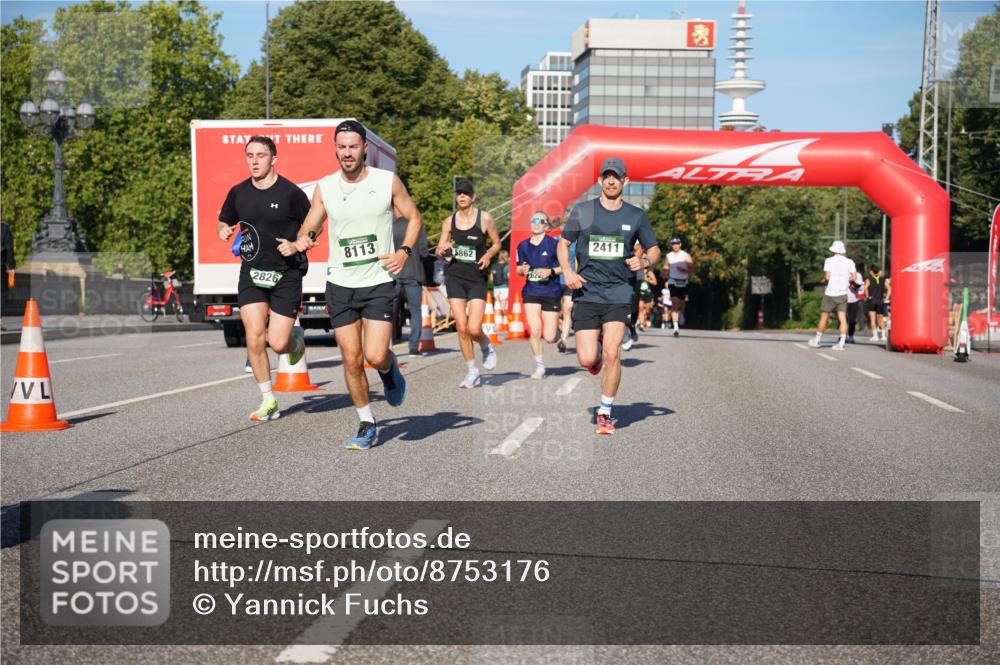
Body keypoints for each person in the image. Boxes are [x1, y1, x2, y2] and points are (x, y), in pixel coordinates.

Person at [294, 120, 422, 449]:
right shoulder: (326, 187)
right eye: (342, 147)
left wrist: (404, 252)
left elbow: (414, 217)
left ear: (365, 148)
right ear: (335, 149)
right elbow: (311, 225)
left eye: (353, 146)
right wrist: (305, 239)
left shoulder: (386, 182)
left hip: (378, 280)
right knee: (351, 359)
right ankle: (366, 422)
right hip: (339, 282)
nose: (347, 153)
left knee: (375, 354)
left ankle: (389, 369)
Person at [558, 157, 660, 435]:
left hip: (619, 291)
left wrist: (645, 263)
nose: (611, 181)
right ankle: (597, 357)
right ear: (600, 180)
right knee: (586, 359)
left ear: (625, 181)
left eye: (616, 177)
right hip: (587, 291)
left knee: (613, 353)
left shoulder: (635, 215)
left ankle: (605, 412)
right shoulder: (583, 211)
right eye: (606, 176)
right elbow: (563, 243)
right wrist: (567, 270)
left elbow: (654, 250)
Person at [217, 135, 310, 422]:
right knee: (254, 337)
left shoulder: (291, 193)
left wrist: (298, 244)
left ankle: (294, 342)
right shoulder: (238, 192)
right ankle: (268, 399)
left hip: (286, 273)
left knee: (277, 342)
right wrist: (223, 229)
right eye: (250, 155)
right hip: (252, 272)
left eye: (260, 155)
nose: (254, 160)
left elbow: (311, 228)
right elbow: (226, 219)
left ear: (274, 159)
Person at [436, 178, 500, 389]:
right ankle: (472, 371)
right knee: (461, 327)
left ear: (473, 197)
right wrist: (443, 249)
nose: (461, 196)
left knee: (474, 328)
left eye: (465, 193)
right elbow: (440, 249)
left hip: (476, 277)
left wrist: (489, 254)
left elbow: (497, 243)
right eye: (459, 193)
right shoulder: (449, 221)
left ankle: (484, 343)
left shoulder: (485, 219)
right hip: (455, 276)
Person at [516, 211, 563, 379]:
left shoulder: (554, 244)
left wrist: (550, 271)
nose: (536, 223)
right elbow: (518, 269)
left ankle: (557, 330)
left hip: (551, 291)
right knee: (535, 331)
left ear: (546, 225)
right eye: (533, 220)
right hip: (531, 291)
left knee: (550, 337)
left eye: (540, 220)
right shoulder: (522, 246)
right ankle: (540, 367)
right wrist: (522, 270)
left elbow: (564, 267)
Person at [808, 240, 858, 351]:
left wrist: (824, 279)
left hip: (830, 293)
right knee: (843, 319)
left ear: (833, 250)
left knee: (824, 317)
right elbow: (854, 277)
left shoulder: (829, 261)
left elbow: (828, 277)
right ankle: (841, 343)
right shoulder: (850, 262)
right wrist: (846, 279)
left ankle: (817, 340)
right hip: (843, 293)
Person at [392, 207, 428, 356]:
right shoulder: (417, 224)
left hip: (393, 273)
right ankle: (413, 347)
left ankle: (388, 345)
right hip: (413, 273)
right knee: (415, 312)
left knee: (389, 312)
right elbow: (424, 251)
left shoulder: (390, 226)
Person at [555, 216, 577, 353]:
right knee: (557, 311)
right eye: (563, 224)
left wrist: (578, 274)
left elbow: (578, 259)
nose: (565, 227)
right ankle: (558, 331)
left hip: (571, 279)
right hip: (556, 280)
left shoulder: (576, 242)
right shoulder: (554, 241)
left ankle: (563, 339)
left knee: (568, 309)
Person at [665, 238, 693, 337]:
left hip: (684, 282)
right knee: (674, 303)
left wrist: (684, 270)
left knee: (681, 304)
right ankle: (675, 327)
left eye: (677, 243)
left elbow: (692, 269)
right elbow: (666, 266)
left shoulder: (685, 255)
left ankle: (680, 314)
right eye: (673, 244)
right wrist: (663, 272)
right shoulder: (669, 256)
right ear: (671, 245)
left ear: (680, 244)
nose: (675, 245)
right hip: (673, 281)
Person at [865, 265, 890, 342]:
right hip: (880, 300)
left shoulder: (868, 279)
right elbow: (889, 288)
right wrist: (887, 297)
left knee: (873, 319)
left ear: (871, 271)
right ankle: (883, 336)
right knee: (881, 318)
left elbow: (865, 287)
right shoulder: (883, 279)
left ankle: (875, 336)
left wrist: (867, 296)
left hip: (872, 300)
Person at [846, 267, 865, 343]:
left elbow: (862, 287)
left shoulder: (858, 275)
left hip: (855, 300)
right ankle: (843, 336)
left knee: (852, 319)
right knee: (844, 319)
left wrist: (856, 287)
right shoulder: (845, 274)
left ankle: (851, 336)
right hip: (844, 299)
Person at [492, 249, 509, 314]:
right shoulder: (507, 266)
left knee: (497, 306)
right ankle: (504, 322)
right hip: (504, 287)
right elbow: (508, 276)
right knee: (503, 307)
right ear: (505, 256)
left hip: (495, 288)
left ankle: (497, 322)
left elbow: (491, 278)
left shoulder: (494, 266)